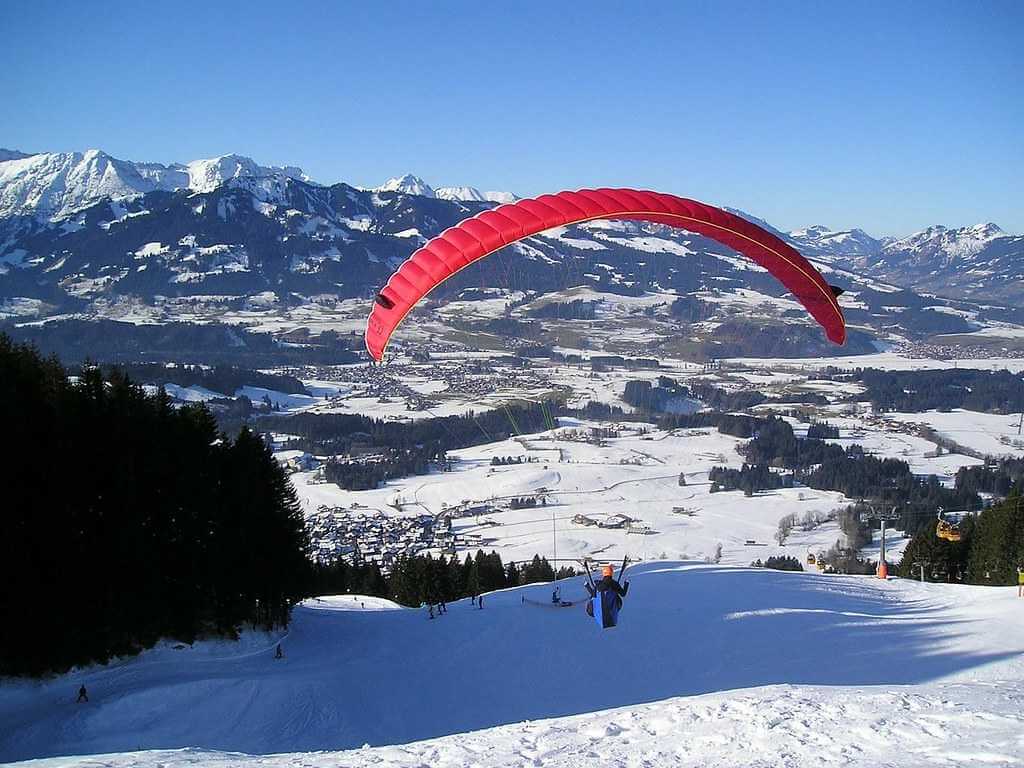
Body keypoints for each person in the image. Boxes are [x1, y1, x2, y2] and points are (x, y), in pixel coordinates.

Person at [586, 564, 628, 628]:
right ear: (611, 573)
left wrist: (587, 585)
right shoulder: (614, 584)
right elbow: (623, 594)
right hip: (611, 614)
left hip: (600, 615)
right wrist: (626, 583)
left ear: (603, 574)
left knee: (594, 599)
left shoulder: (598, 585)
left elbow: (593, 594)